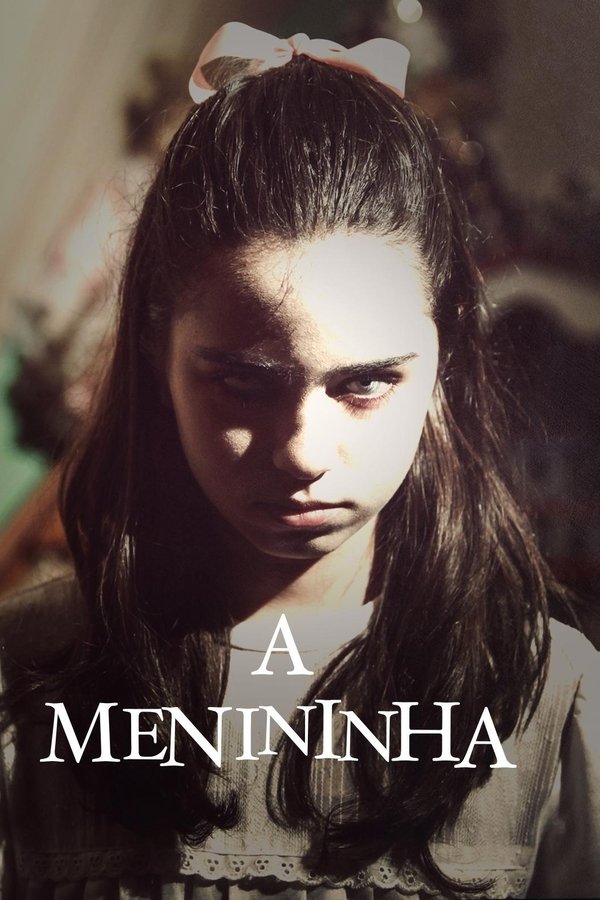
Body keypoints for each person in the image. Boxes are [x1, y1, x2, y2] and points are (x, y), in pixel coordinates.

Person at [1, 22, 598, 900]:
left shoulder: (554, 705)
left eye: (366, 383)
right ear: (157, 353)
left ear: (443, 356)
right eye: (243, 382)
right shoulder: (25, 683)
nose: (303, 453)